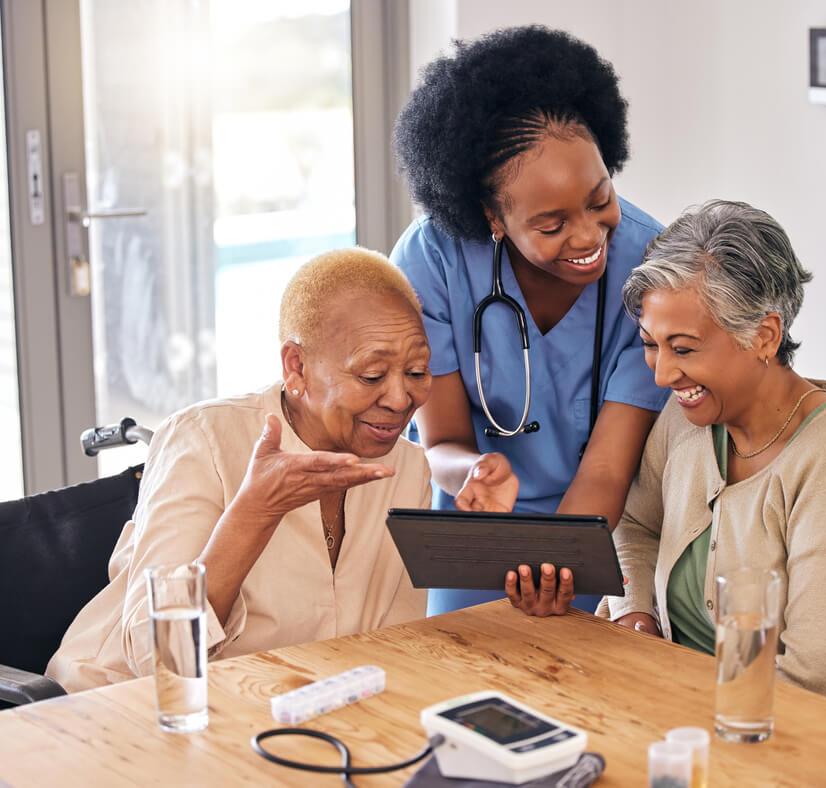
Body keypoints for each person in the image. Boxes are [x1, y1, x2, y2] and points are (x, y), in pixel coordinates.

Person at [603, 199, 826, 741]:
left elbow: (814, 684)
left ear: (765, 336)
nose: (662, 374)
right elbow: (637, 524)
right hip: (721, 733)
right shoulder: (688, 421)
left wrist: (667, 700)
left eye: (683, 348)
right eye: (651, 346)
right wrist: (637, 612)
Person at [47, 248, 433, 691]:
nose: (401, 399)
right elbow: (158, 658)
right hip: (116, 709)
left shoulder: (406, 468)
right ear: (297, 366)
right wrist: (253, 514)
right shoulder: (202, 439)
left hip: (275, 712)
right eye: (372, 375)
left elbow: (392, 646)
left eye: (417, 371)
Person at [391, 26, 669, 617]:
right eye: (552, 225)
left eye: (601, 200)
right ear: (493, 216)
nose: (590, 237)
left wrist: (556, 564)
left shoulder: (652, 267)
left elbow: (606, 467)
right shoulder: (432, 260)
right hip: (475, 536)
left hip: (593, 535)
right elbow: (441, 443)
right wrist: (473, 473)